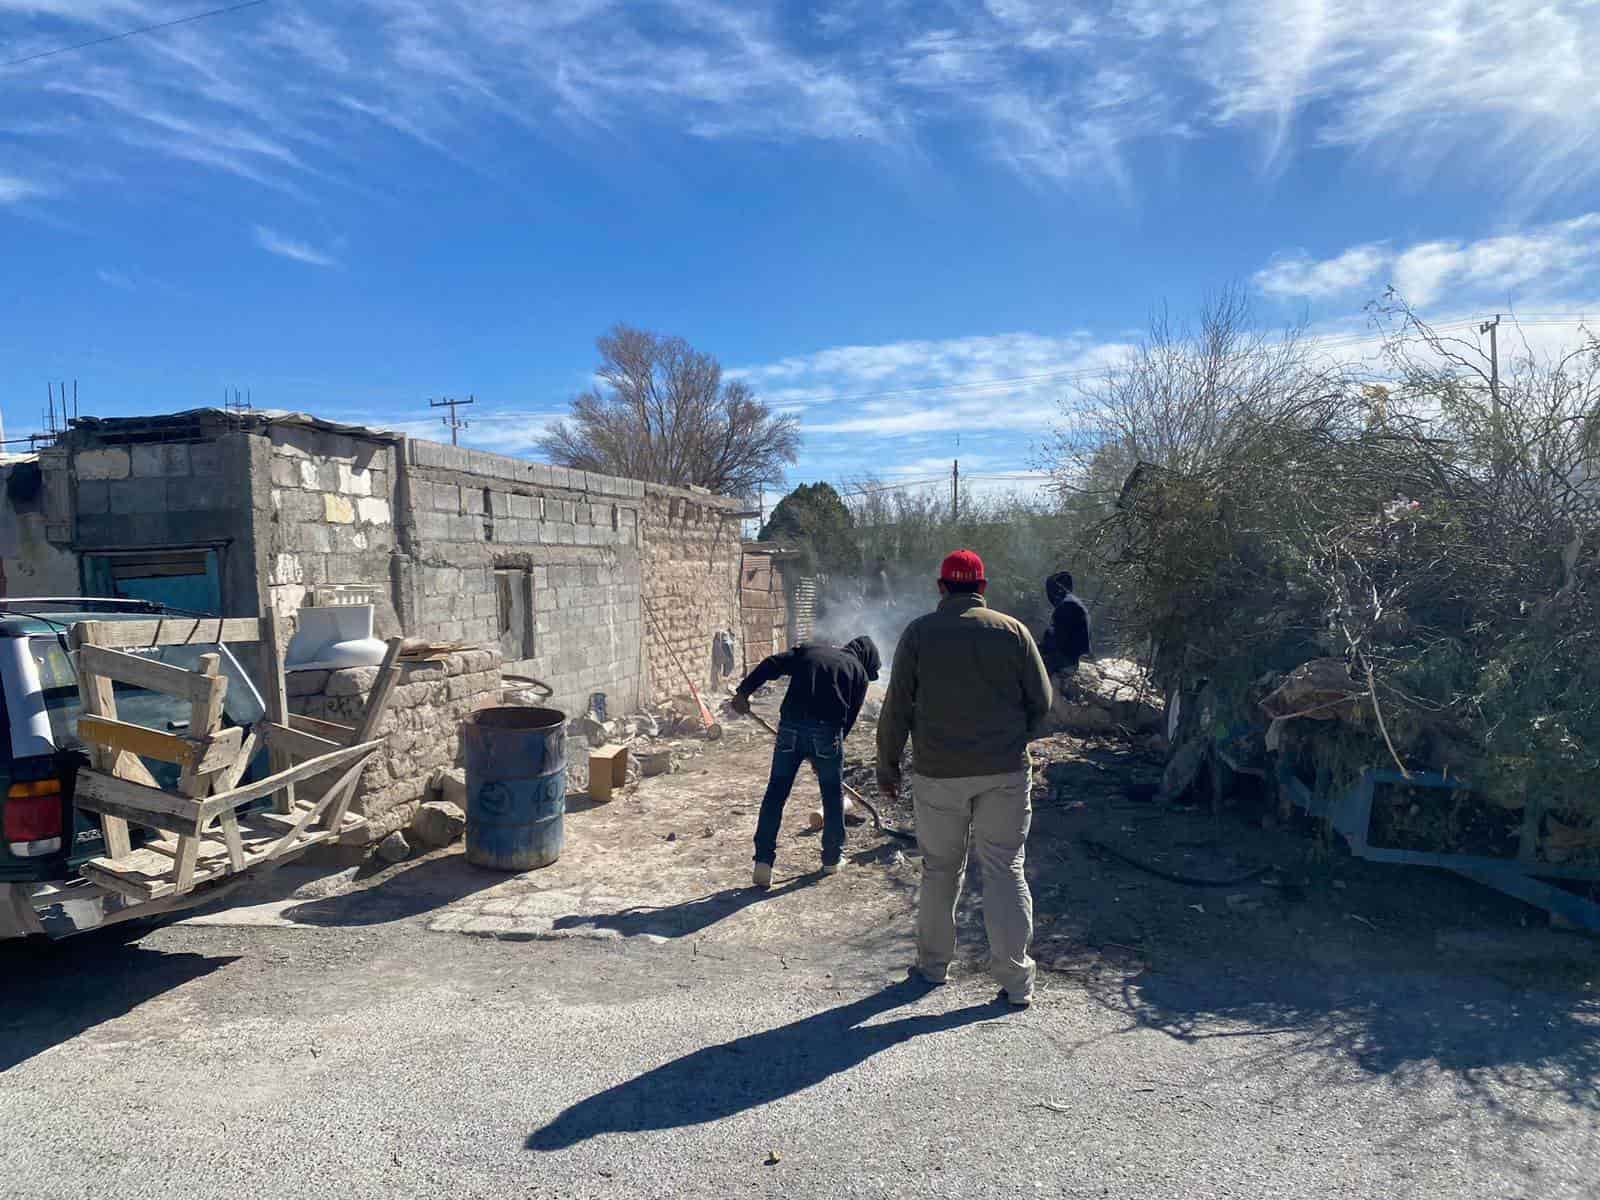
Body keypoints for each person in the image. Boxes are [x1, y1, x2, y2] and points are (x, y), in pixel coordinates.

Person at [876, 550, 1052, 1009]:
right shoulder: (1014, 632)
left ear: (941, 587)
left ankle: (933, 969)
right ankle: (1017, 984)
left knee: (940, 871)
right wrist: (1014, 740)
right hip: (1005, 773)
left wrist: (887, 764)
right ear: (983, 586)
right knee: (1005, 868)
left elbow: (897, 707)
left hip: (938, 775)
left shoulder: (919, 633)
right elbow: (1042, 701)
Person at [731, 635, 882, 888]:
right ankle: (832, 858)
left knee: (776, 792)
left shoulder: (810, 651)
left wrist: (743, 691)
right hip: (827, 733)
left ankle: (763, 862)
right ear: (866, 659)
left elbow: (770, 664)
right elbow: (849, 719)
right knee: (832, 796)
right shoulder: (858, 672)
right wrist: (826, 753)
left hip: (790, 728)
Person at [1038, 570, 1091, 677]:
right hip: (1070, 657)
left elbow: (1058, 639)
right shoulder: (1072, 603)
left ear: (1057, 590)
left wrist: (1040, 649)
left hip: (1066, 661)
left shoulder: (1067, 606)